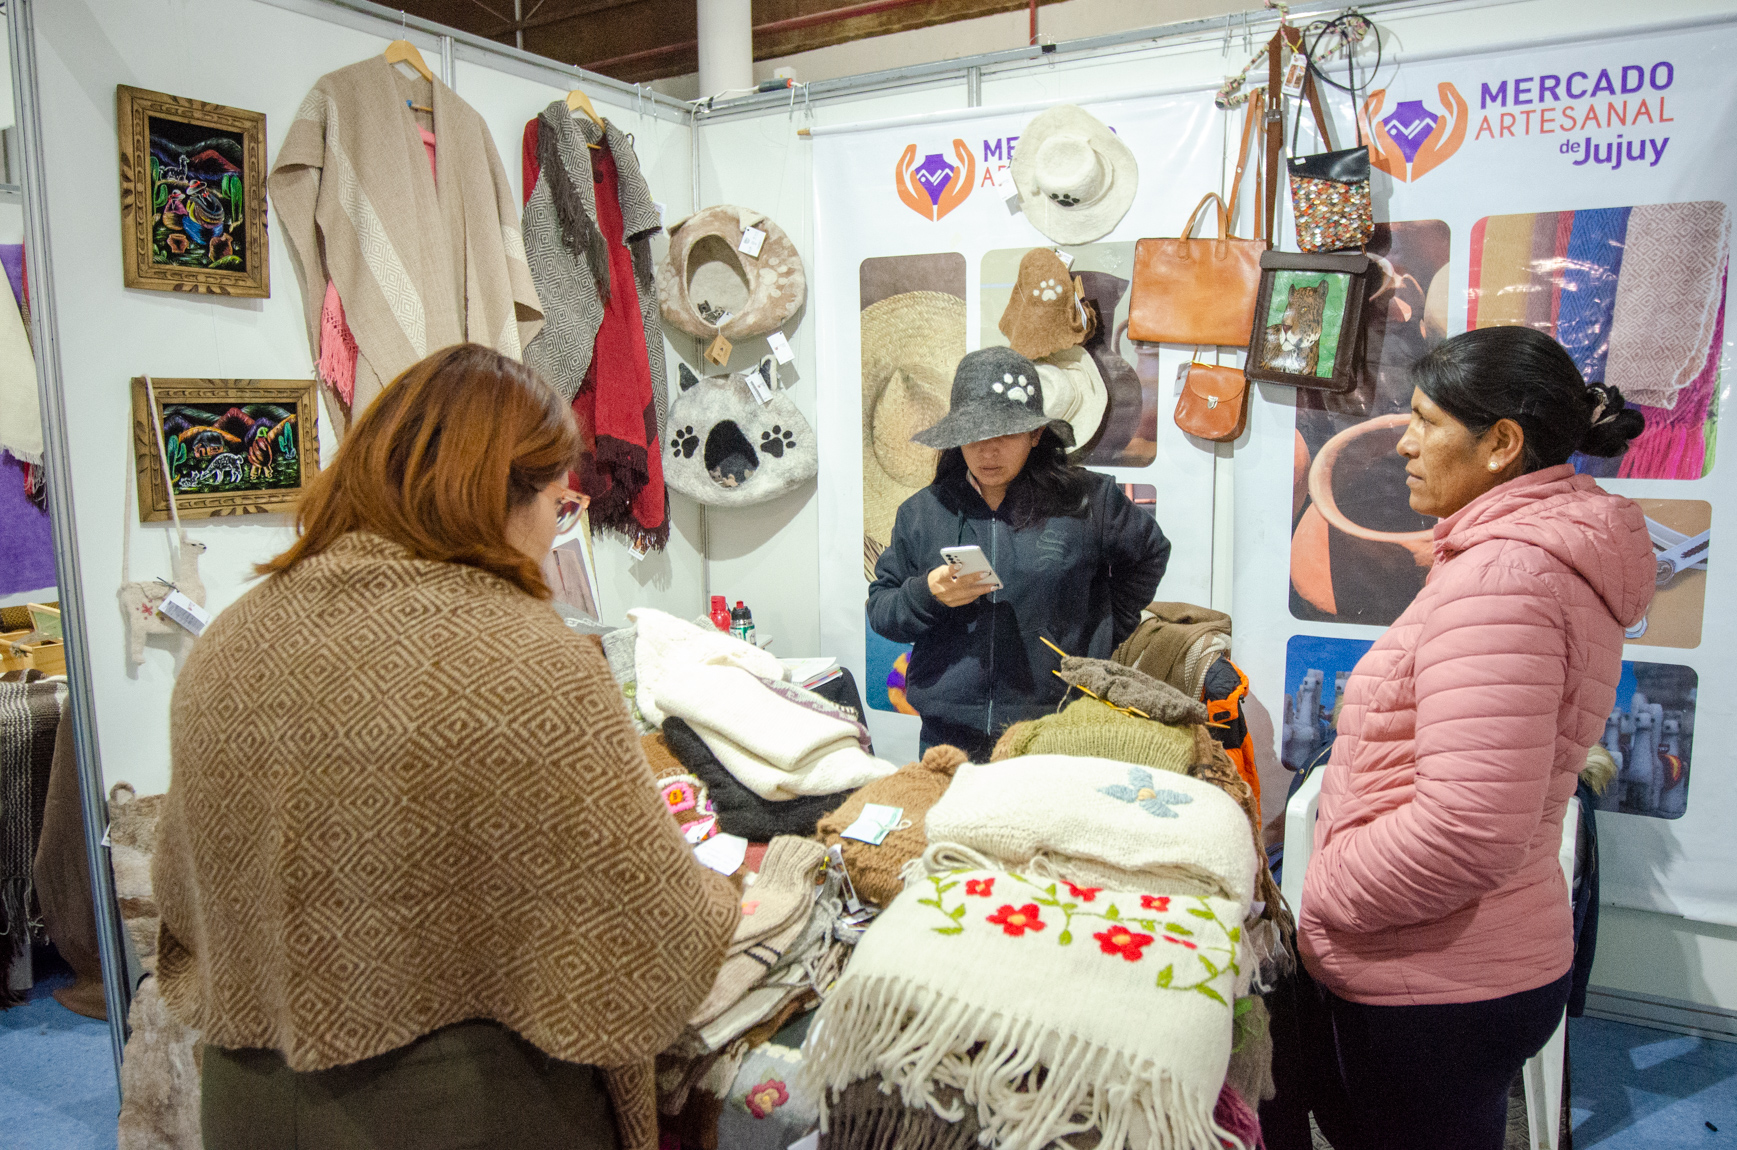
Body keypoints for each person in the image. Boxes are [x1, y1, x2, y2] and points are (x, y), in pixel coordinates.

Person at [151, 344, 739, 1150]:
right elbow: (650, 939)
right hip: (472, 1109)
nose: (554, 535)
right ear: (497, 496)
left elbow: (185, 899)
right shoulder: (532, 660)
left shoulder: (228, 642)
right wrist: (722, 893)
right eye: (559, 509)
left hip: (245, 1104)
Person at [1297, 326, 1654, 1150]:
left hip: (1432, 974)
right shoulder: (1518, 558)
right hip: (1462, 959)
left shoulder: (1503, 579)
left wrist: (1329, 891)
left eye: (1425, 421)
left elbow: (1466, 826)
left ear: (1499, 444)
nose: (1405, 445)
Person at [867, 346, 1171, 761]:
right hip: (949, 736)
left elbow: (1150, 553)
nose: (988, 452)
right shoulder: (923, 512)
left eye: (1005, 435)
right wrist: (927, 594)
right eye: (975, 436)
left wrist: (1104, 628)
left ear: (1035, 435)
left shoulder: (1088, 500)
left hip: (1059, 729)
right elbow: (882, 609)